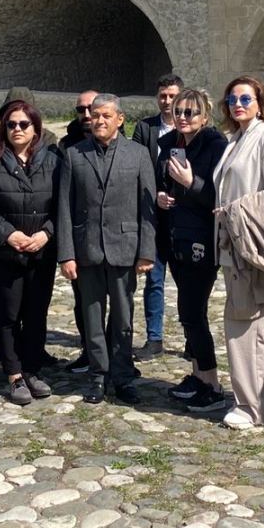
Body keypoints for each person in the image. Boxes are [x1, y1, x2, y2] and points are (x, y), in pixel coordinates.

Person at [56, 93, 157, 405]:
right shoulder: (74, 154)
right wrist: (66, 254)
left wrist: (146, 251)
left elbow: (148, 206)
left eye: (105, 116)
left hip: (125, 248)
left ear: (120, 119)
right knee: (92, 316)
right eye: (95, 115)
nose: (98, 120)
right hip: (87, 250)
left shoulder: (138, 154)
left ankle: (123, 376)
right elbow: (64, 207)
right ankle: (98, 376)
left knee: (124, 318)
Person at [215, 76, 264, 430]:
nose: (238, 104)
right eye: (232, 99)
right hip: (234, 245)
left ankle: (250, 406)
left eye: (246, 98)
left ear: (260, 102)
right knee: (256, 324)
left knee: (244, 325)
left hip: (250, 243)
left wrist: (232, 211)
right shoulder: (234, 140)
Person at [0, 99, 59, 406]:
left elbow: (62, 204)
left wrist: (46, 233)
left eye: (24, 124)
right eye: (11, 125)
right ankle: (13, 374)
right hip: (4, 253)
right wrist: (9, 234)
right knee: (7, 314)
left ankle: (32, 368)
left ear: (36, 128)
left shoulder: (52, 160)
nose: (17, 129)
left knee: (36, 312)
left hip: (40, 251)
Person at [155, 87, 228, 413]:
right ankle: (198, 375)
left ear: (205, 116)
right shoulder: (169, 143)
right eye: (179, 111)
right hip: (175, 237)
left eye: (190, 112)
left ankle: (211, 383)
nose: (183, 117)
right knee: (187, 313)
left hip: (201, 239)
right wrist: (162, 194)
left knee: (193, 312)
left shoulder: (214, 145)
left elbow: (218, 195)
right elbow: (161, 181)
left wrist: (190, 183)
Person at [132, 72, 183, 360]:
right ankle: (154, 337)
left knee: (187, 282)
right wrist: (156, 195)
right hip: (153, 215)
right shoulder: (145, 128)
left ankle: (192, 336)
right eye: (163, 96)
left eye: (172, 96)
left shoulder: (192, 128)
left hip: (183, 218)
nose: (167, 101)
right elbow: (138, 166)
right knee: (154, 279)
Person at [61, 89, 99, 374]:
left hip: (115, 236)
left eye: (91, 109)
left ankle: (116, 356)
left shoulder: (124, 143)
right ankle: (90, 350)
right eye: (81, 110)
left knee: (119, 303)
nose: (86, 115)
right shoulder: (67, 146)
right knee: (83, 300)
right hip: (81, 235)